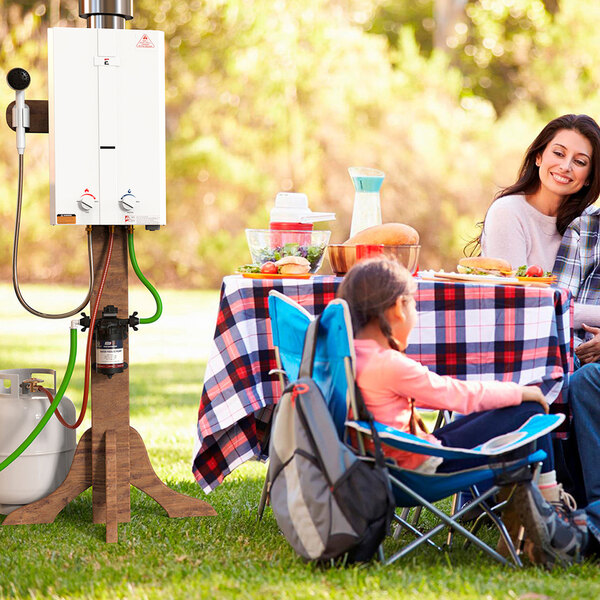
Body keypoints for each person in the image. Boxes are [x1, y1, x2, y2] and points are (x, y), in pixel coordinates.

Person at [337, 258, 587, 567]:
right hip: (418, 470)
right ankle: (550, 517)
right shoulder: (387, 364)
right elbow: (455, 394)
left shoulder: (348, 354)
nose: (415, 316)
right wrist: (520, 391)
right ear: (397, 309)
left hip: (390, 462)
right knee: (530, 408)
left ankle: (532, 515)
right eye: (414, 307)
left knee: (515, 410)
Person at [469, 114, 600, 276]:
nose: (566, 166)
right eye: (559, 153)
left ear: (589, 177)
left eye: (580, 162)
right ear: (539, 157)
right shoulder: (508, 212)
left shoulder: (591, 223)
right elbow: (514, 292)